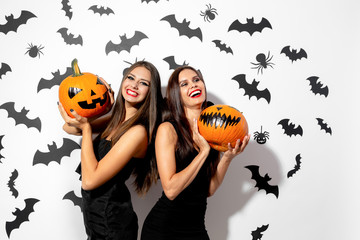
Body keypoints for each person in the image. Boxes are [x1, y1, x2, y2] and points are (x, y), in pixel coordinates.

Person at [141, 66, 250, 240]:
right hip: (163, 230)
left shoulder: (214, 128)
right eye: (184, 84)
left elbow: (208, 190)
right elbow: (170, 190)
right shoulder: (168, 129)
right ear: (177, 94)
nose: (193, 85)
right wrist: (203, 152)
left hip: (196, 228)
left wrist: (228, 157)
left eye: (196, 80)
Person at [58, 61, 163, 240]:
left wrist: (87, 129)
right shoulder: (115, 120)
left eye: (144, 83)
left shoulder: (137, 132)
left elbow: (89, 181)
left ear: (150, 92)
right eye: (130, 78)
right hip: (96, 220)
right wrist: (102, 109)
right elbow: (68, 127)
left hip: (112, 224)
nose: (135, 85)